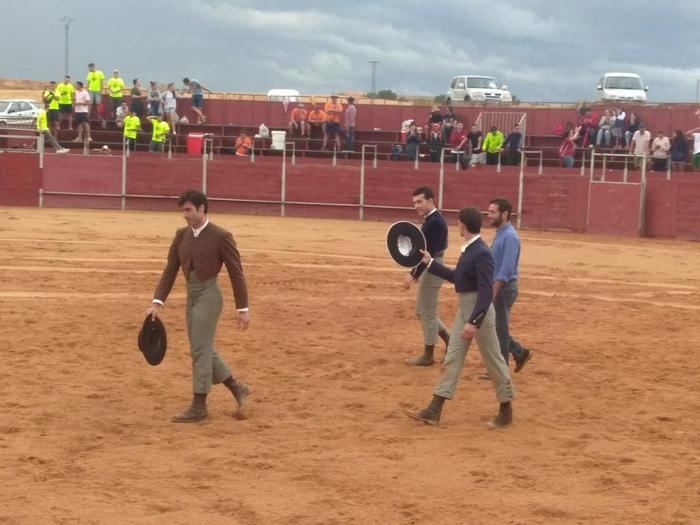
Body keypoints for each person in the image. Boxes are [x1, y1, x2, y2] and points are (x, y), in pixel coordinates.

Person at [146, 190, 251, 423]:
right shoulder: (181, 235)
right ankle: (236, 388)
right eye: (182, 211)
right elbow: (170, 269)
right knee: (201, 348)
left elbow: (236, 273)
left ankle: (199, 405)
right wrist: (157, 302)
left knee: (201, 350)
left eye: (188, 210)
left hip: (209, 296)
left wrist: (242, 308)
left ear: (202, 208)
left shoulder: (221, 236)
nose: (184, 215)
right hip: (191, 296)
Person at [405, 206, 515, 427]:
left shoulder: (481, 252)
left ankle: (506, 409)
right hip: (466, 308)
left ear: (462, 225)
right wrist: (430, 263)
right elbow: (459, 278)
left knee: (493, 359)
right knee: (452, 357)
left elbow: (485, 292)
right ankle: (434, 409)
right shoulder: (472, 249)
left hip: (478, 313)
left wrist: (474, 322)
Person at [404, 187, 451, 366]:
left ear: (430, 200)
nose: (416, 206)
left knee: (427, 313)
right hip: (432, 266)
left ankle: (428, 354)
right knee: (421, 311)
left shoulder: (435, 222)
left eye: (420, 201)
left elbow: (428, 253)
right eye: (414, 202)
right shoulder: (432, 220)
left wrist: (413, 274)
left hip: (434, 267)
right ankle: (449, 339)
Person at [487, 198, 533, 371]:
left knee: (499, 329)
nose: (488, 215)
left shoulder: (509, 237)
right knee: (498, 327)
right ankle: (520, 353)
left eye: (492, 212)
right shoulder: (502, 233)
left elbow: (505, 270)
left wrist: (493, 291)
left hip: (503, 288)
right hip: (499, 287)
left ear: (504, 214)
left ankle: (501, 368)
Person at [86, 63, 105, 127]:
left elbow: (101, 82)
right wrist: (87, 91)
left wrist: (101, 90)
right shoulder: (89, 74)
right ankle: (86, 118)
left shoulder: (100, 73)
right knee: (90, 104)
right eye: (89, 68)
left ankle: (100, 119)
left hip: (98, 91)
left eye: (90, 68)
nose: (89, 69)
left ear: (93, 67)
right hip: (91, 90)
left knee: (98, 105)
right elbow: (88, 82)